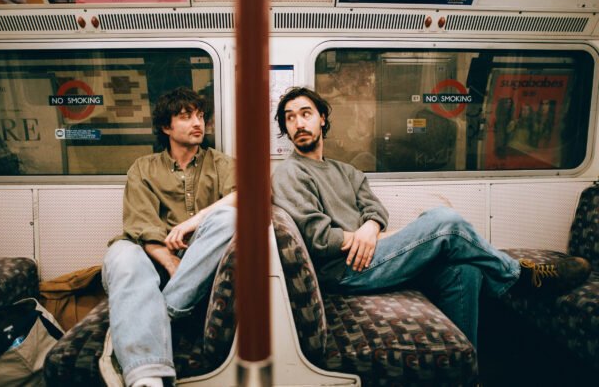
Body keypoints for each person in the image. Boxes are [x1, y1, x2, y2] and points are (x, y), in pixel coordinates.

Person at [271, 86, 590, 348]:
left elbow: (375, 209)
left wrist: (370, 227)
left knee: (464, 271)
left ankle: (464, 373)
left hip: (371, 254)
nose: (298, 123)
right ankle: (519, 278)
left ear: (322, 119)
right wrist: (366, 237)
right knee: (443, 220)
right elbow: (318, 238)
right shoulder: (289, 173)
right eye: (290, 118)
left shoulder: (347, 171)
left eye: (306, 113)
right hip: (346, 269)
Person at [103, 87, 236, 387]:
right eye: (186, 117)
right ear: (166, 127)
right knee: (122, 254)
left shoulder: (222, 164)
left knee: (232, 216)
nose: (197, 123)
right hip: (150, 260)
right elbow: (141, 224)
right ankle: (146, 377)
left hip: (198, 261)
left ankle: (156, 313)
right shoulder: (143, 168)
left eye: (200, 116)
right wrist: (171, 262)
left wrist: (195, 221)